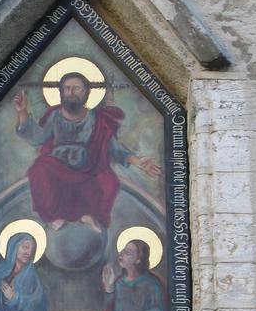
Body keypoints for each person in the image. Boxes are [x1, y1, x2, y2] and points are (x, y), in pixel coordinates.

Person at [13, 72, 160, 232]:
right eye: (67, 89)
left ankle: (90, 215)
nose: (70, 93)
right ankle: (54, 214)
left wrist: (138, 162)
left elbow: (114, 148)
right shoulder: (55, 116)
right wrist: (22, 112)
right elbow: (38, 138)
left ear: (86, 92)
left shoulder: (97, 119)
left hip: (87, 168)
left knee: (109, 181)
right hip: (56, 167)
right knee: (37, 169)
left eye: (76, 88)